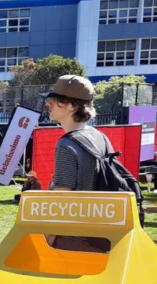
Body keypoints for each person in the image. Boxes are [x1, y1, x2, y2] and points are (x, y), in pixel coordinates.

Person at [45, 74, 114, 252]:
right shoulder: (101, 137)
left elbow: (62, 199)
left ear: (72, 106)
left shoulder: (67, 145)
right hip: (103, 235)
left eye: (55, 99)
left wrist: (48, 239)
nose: (48, 103)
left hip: (73, 239)